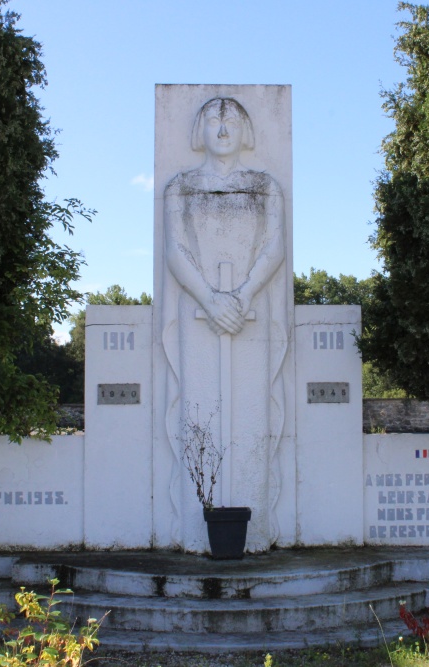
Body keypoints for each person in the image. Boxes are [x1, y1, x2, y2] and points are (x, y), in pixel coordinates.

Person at [161, 97, 288, 552]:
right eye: (212, 119)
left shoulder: (264, 184)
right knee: (199, 415)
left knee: (253, 413)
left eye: (231, 118)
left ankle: (255, 520)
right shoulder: (180, 186)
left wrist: (245, 294)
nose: (221, 128)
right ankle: (199, 532)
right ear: (199, 130)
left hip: (249, 314)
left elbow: (274, 247)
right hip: (201, 317)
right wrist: (210, 300)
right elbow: (175, 250)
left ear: (246, 129)